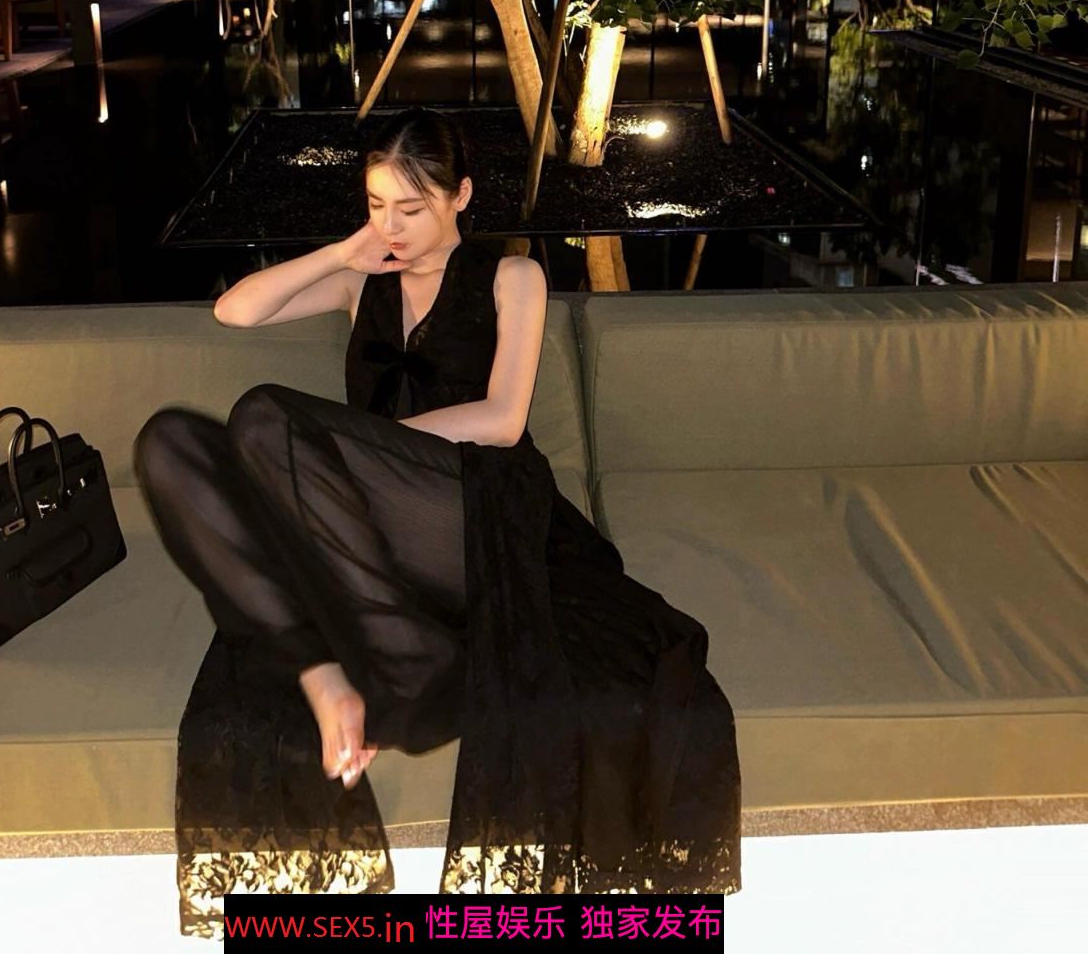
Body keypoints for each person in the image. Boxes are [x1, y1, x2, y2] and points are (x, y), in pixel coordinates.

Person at [134, 107, 741, 932]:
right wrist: (343, 252)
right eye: (377, 204)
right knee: (208, 437)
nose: (393, 226)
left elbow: (503, 420)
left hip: (477, 504)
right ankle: (357, 662)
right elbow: (233, 312)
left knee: (265, 419)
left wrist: (361, 449)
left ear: (461, 196)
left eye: (411, 208)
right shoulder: (361, 278)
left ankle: (396, 655)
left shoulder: (511, 276)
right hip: (364, 518)